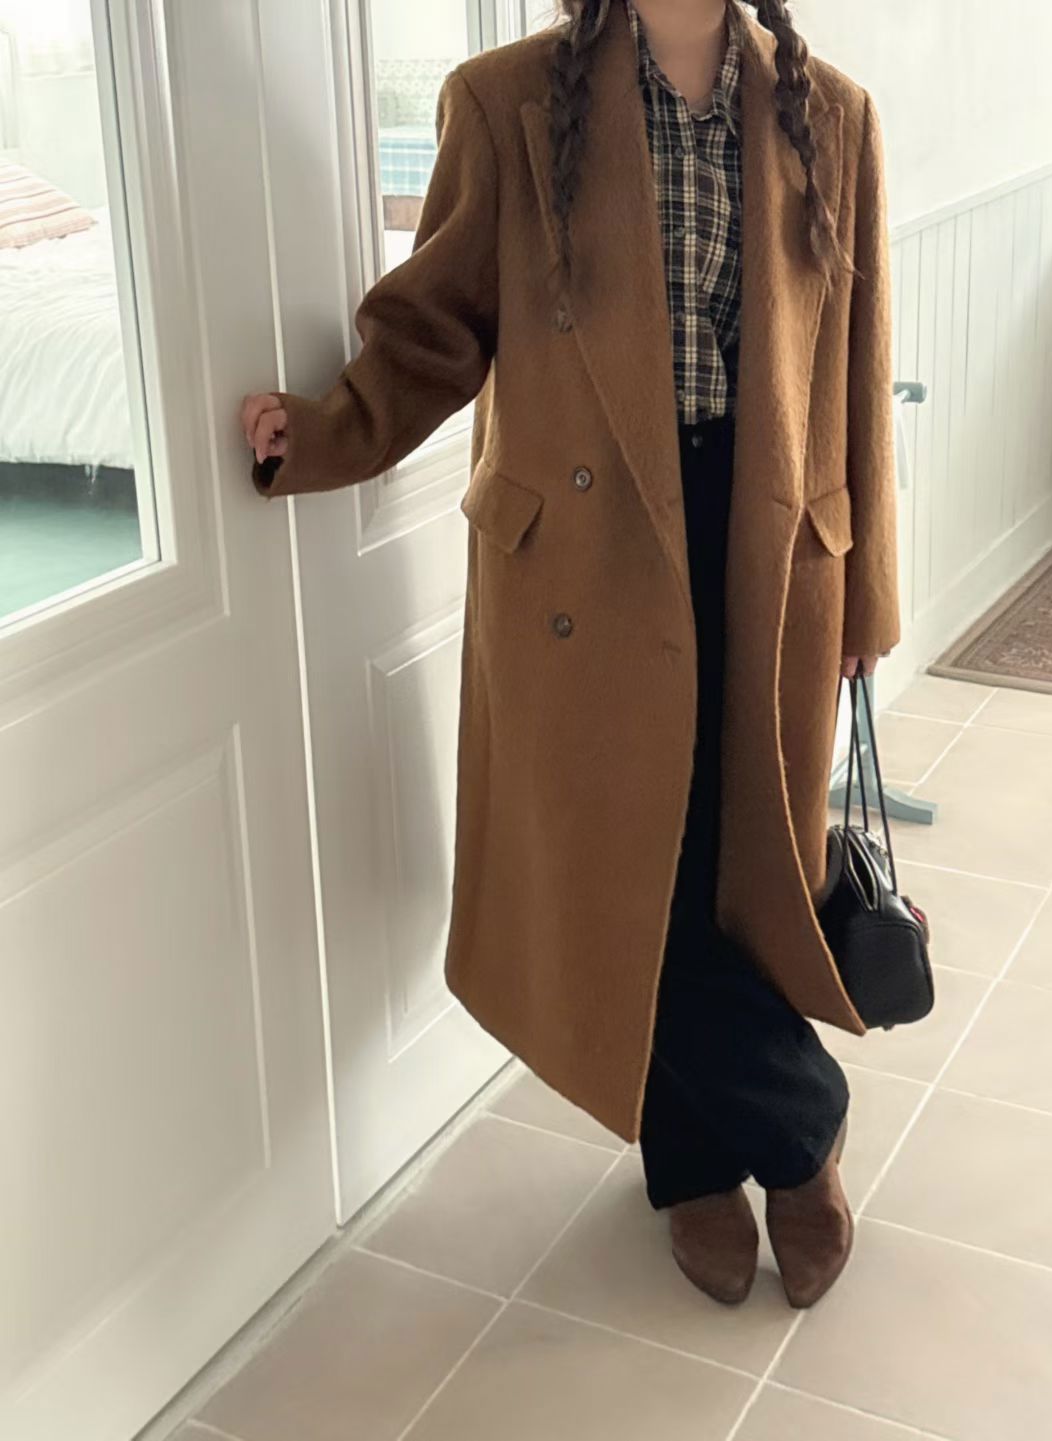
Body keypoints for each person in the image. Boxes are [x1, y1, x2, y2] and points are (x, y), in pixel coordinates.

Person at [241, 0, 900, 1310]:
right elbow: (433, 331)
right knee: (622, 867)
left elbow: (859, 367)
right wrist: (322, 432)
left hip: (768, 543)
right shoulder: (505, 102)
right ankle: (786, 1129)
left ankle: (708, 1153)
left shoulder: (831, 110)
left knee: (735, 854)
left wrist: (867, 594)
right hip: (588, 557)